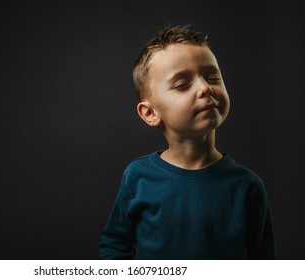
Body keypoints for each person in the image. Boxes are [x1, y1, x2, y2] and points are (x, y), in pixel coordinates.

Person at [99, 24, 275, 259]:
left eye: (212, 77)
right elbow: (114, 244)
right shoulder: (137, 176)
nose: (205, 88)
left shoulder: (248, 186)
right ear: (150, 113)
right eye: (182, 84)